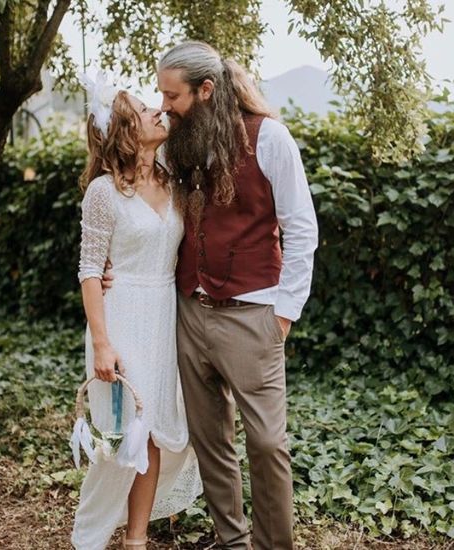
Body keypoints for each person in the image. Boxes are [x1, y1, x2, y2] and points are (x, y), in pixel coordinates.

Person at [157, 41, 319, 550]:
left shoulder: (269, 137)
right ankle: (232, 541)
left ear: (206, 91)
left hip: (253, 313)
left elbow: (301, 227)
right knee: (211, 439)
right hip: (190, 310)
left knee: (268, 443)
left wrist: (284, 312)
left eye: (172, 95)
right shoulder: (177, 143)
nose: (164, 105)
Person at [70, 72, 202, 550]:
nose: (158, 112)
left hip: (165, 316)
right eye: (146, 110)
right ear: (127, 131)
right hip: (122, 314)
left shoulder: (172, 178)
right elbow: (89, 270)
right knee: (126, 439)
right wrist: (103, 343)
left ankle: (136, 540)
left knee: (157, 435)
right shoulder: (103, 193)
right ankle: (93, 534)